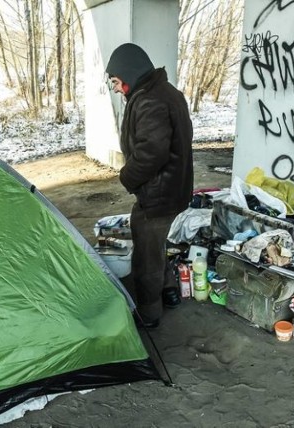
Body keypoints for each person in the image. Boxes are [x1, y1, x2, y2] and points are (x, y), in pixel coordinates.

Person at [105, 43, 194, 328]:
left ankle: (149, 313)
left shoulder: (149, 100)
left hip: (158, 194)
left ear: (130, 73)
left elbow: (151, 153)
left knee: (146, 257)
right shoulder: (167, 93)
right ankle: (169, 291)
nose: (117, 89)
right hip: (173, 190)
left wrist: (126, 176)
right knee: (157, 246)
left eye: (117, 82)